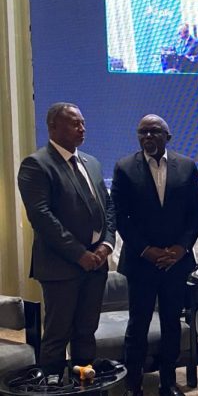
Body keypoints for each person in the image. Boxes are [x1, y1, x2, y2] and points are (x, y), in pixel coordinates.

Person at [17, 102, 115, 377]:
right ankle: (54, 386)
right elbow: (42, 217)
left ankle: (85, 385)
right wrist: (79, 254)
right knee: (57, 335)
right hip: (61, 267)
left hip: (96, 264)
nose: (82, 128)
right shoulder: (37, 164)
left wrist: (106, 245)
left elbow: (108, 207)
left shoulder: (92, 163)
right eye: (74, 123)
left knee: (86, 332)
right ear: (53, 127)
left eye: (83, 122)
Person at [111, 114, 198, 396]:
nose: (148, 136)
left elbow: (195, 213)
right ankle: (133, 384)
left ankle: (168, 382)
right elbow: (121, 216)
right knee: (138, 325)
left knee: (171, 324)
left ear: (168, 136)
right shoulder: (125, 167)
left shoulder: (186, 166)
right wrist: (146, 250)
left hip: (176, 262)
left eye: (154, 131)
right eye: (143, 132)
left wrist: (181, 248)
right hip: (141, 262)